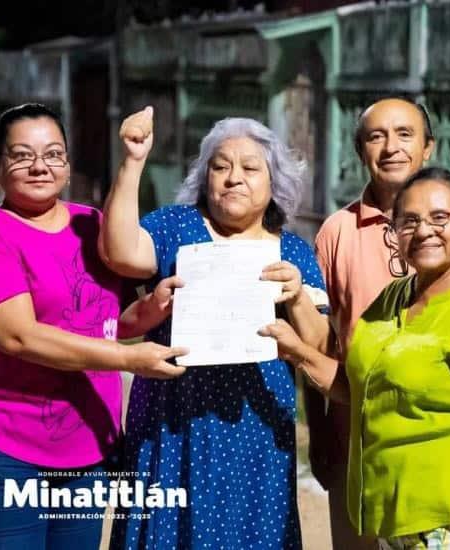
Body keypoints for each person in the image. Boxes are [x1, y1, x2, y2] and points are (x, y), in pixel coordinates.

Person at [263, 167, 450, 549]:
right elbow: (356, 386)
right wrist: (296, 351)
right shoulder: (393, 298)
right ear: (394, 232)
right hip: (390, 520)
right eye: (409, 221)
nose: (424, 230)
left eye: (440, 218)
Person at [0, 103, 186, 550]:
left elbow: (109, 326)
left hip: (87, 448)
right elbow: (18, 336)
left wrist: (155, 309)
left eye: (53, 154)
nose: (40, 166)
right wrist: (129, 361)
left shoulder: (91, 224)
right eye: (22, 155)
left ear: (67, 163)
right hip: (2, 448)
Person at [102, 107, 329, 549]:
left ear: (273, 182)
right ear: (204, 178)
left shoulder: (292, 251)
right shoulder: (175, 225)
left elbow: (318, 345)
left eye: (250, 168)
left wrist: (297, 295)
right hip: (172, 418)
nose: (233, 178)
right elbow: (119, 252)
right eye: (220, 167)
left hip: (255, 426)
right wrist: (132, 161)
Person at [307, 96, 450, 548]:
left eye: (404, 134)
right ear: (360, 151)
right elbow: (321, 344)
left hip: (445, 451)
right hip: (358, 443)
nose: (391, 147)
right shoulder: (336, 231)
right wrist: (321, 435)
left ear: (428, 148)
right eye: (376, 137)